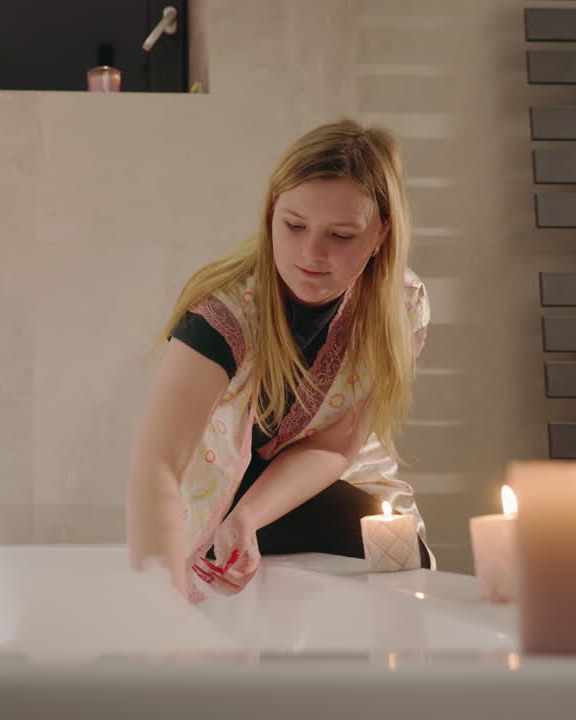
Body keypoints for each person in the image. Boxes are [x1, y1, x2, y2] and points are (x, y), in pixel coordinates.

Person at [125, 118, 433, 604]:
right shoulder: (223, 314)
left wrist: (249, 518)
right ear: (271, 212)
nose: (312, 253)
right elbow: (158, 464)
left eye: (342, 235)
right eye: (294, 225)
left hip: (301, 486)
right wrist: (159, 596)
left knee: (403, 555)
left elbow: (336, 444)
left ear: (381, 234)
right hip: (212, 497)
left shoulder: (401, 305)